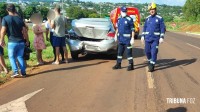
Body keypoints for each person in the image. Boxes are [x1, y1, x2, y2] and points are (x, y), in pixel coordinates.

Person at [0, 4, 28, 77]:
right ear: (14, 9)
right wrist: (27, 40)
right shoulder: (19, 19)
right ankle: (23, 72)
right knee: (20, 57)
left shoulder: (5, 18)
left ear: (7, 10)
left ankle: (15, 71)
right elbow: (25, 30)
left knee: (12, 57)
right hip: (21, 41)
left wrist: (1, 40)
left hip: (12, 41)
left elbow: (3, 30)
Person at [141, 2, 166, 72]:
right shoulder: (147, 18)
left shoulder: (160, 18)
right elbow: (145, 27)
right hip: (147, 38)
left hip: (155, 39)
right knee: (147, 51)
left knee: (154, 52)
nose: (151, 11)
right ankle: (150, 60)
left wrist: (161, 37)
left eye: (153, 9)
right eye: (150, 10)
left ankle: (152, 65)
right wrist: (143, 36)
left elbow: (162, 28)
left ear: (155, 9)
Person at [113, 6, 135, 71]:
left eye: (125, 11)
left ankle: (131, 65)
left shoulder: (129, 19)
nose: (124, 12)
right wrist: (115, 35)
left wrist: (132, 38)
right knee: (119, 53)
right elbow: (117, 28)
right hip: (121, 39)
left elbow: (132, 30)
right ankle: (118, 64)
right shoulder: (119, 19)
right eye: (123, 11)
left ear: (126, 12)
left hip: (128, 40)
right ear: (121, 11)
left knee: (129, 53)